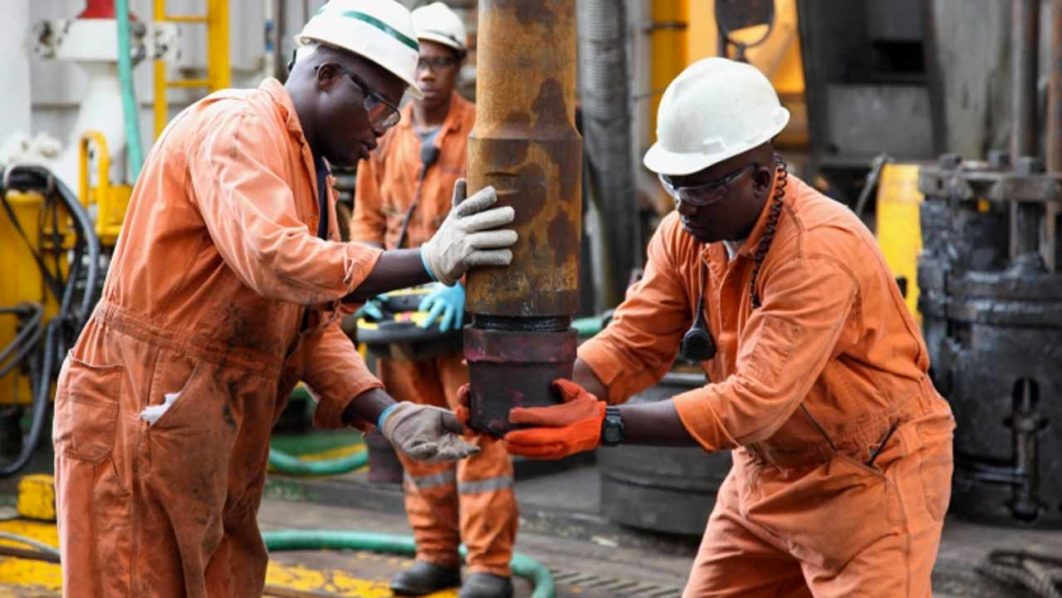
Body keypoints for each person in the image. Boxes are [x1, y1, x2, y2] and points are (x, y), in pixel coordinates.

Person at [51, 1, 519, 595]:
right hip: (140, 414)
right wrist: (425, 262)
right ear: (327, 76)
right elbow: (274, 258)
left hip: (210, 426)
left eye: (393, 115)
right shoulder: (238, 128)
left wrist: (388, 413)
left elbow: (309, 327)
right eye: (379, 107)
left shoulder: (311, 178)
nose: (381, 132)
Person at [477, 58, 956, 597]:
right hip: (765, 473)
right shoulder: (684, 236)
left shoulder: (817, 251)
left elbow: (752, 403)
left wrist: (603, 425)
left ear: (760, 178)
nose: (683, 206)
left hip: (868, 477)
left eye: (701, 189)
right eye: (673, 184)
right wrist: (520, 395)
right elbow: (630, 346)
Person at [351, 4, 516, 597]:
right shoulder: (383, 134)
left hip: (462, 317)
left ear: (459, 67)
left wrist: (460, 285)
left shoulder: (481, 134)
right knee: (416, 436)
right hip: (402, 314)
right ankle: (436, 555)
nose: (426, 73)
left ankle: (489, 568)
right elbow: (367, 218)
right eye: (419, 61)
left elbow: (501, 220)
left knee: (477, 436)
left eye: (440, 62)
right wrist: (367, 278)